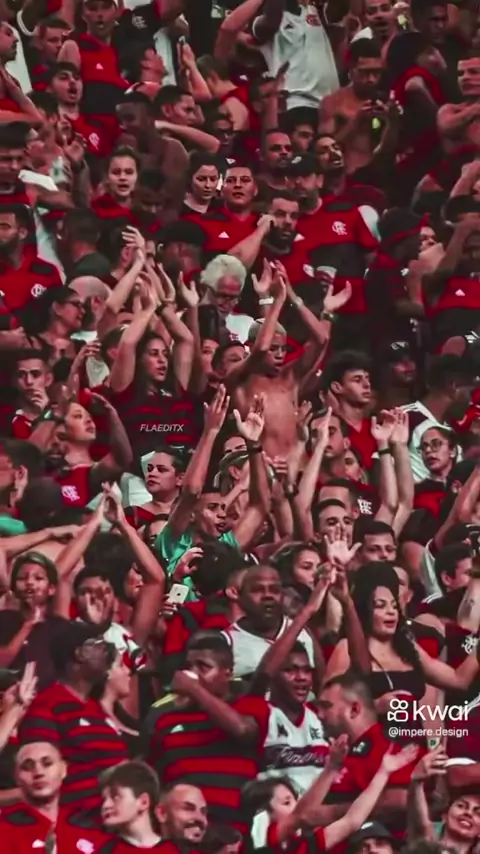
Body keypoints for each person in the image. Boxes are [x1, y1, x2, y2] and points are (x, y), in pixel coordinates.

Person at [18, 620, 128, 812]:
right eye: (99, 645)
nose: (106, 653)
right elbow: (40, 774)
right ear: (80, 653)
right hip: (77, 818)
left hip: (113, 816)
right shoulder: (47, 706)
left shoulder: (96, 707)